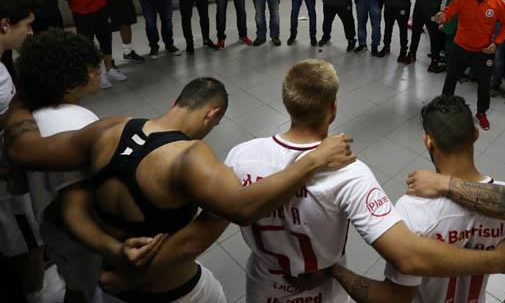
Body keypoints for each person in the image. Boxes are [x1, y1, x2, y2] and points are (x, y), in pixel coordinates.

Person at [5, 77, 357, 303]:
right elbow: (243, 209)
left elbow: (23, 150)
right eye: (216, 124)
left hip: (113, 287)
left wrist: (18, 102)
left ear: (177, 99)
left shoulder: (110, 128)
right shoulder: (188, 157)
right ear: (211, 115)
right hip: (177, 292)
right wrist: (312, 161)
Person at [224, 61, 505, 303]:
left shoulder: (240, 156)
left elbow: (228, 212)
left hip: (262, 286)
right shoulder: (349, 172)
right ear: (333, 108)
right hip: (321, 291)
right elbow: (408, 256)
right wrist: (498, 261)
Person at [330, 95, 505, 303]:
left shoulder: (412, 209)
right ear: (476, 135)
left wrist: (337, 272)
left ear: (428, 141)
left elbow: (393, 298)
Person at [16, 29, 147, 302]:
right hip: (82, 241)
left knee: (76, 285)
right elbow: (76, 207)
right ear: (67, 83)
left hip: (56, 233)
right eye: (91, 68)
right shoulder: (72, 126)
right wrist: (115, 248)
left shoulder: (36, 116)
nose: (98, 71)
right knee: (89, 290)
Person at [0, 0, 46, 303]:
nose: (29, 34)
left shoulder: (4, 64)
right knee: (26, 245)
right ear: (5, 24)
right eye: (26, 25)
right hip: (6, 187)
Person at [436, 0, 505, 131]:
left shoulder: (497, 3)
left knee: (484, 85)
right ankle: (444, 107)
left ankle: (481, 113)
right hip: (460, 48)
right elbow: (449, 10)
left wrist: (497, 43)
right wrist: (443, 16)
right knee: (450, 79)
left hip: (483, 52)